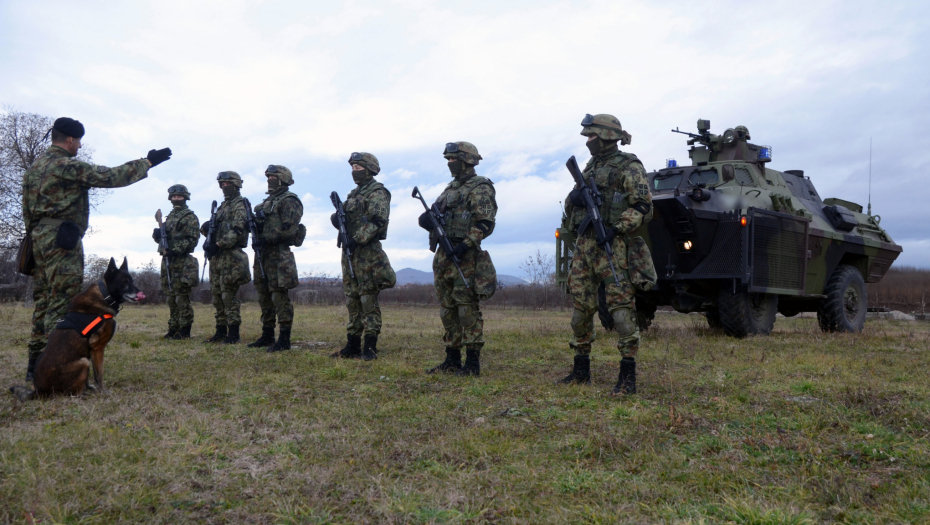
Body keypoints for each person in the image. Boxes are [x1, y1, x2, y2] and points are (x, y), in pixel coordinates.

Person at [21, 117, 171, 381]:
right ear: (70, 140)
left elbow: (26, 209)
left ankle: (35, 367)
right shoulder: (65, 165)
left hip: (39, 238)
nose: (79, 146)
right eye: (78, 141)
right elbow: (109, 177)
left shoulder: (35, 168)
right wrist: (147, 163)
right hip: (61, 239)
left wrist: (36, 236)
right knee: (62, 303)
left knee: (43, 302)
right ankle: (55, 368)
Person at [559, 114, 652, 394]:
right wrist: (573, 199)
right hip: (585, 247)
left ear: (607, 136)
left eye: (592, 136)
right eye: (586, 137)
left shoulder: (629, 166)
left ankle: (627, 376)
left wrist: (616, 228)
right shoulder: (588, 168)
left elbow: (643, 206)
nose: (588, 141)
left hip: (614, 248)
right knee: (581, 310)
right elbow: (570, 208)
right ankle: (581, 369)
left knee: (621, 313)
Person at [418, 142, 497, 376]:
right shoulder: (449, 188)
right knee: (447, 310)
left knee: (466, 310)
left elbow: (485, 223)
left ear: (467, 160)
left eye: (454, 159)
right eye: (448, 160)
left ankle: (472, 363)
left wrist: (465, 245)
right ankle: (451, 358)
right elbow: (437, 215)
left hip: (465, 257)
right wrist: (427, 220)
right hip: (443, 256)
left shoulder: (480, 187)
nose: (450, 164)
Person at [330, 152, 395, 360]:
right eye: (353, 167)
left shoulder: (377, 192)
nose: (354, 171)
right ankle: (352, 344)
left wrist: (357, 238)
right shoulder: (353, 194)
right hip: (350, 253)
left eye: (358, 167)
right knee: (352, 299)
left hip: (367, 253)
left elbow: (378, 221)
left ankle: (370, 346)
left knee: (368, 299)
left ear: (369, 169)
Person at [247, 165, 304, 352]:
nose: (270, 179)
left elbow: (290, 228)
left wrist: (268, 237)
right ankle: (267, 334)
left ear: (283, 179)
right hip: (263, 254)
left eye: (273, 176)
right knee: (264, 295)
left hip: (279, 255)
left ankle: (284, 338)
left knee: (279, 296)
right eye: (268, 177)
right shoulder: (267, 202)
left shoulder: (290, 201)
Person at [201, 171, 251, 344]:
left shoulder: (240, 205)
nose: (224, 186)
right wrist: (206, 233)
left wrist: (219, 244)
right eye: (221, 184)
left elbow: (237, 230)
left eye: (227, 183)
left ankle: (233, 333)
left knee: (228, 296)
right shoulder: (222, 206)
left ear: (236, 184)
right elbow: (214, 230)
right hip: (217, 258)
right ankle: (220, 331)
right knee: (217, 296)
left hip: (231, 256)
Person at [152, 184, 201, 340]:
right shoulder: (170, 216)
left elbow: (191, 240)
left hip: (181, 262)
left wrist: (176, 250)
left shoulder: (189, 217)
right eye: (174, 197)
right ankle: (173, 327)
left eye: (179, 196)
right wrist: (158, 236)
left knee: (181, 297)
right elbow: (166, 240)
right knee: (170, 296)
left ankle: (185, 329)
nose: (176, 199)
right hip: (167, 260)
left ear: (185, 197)